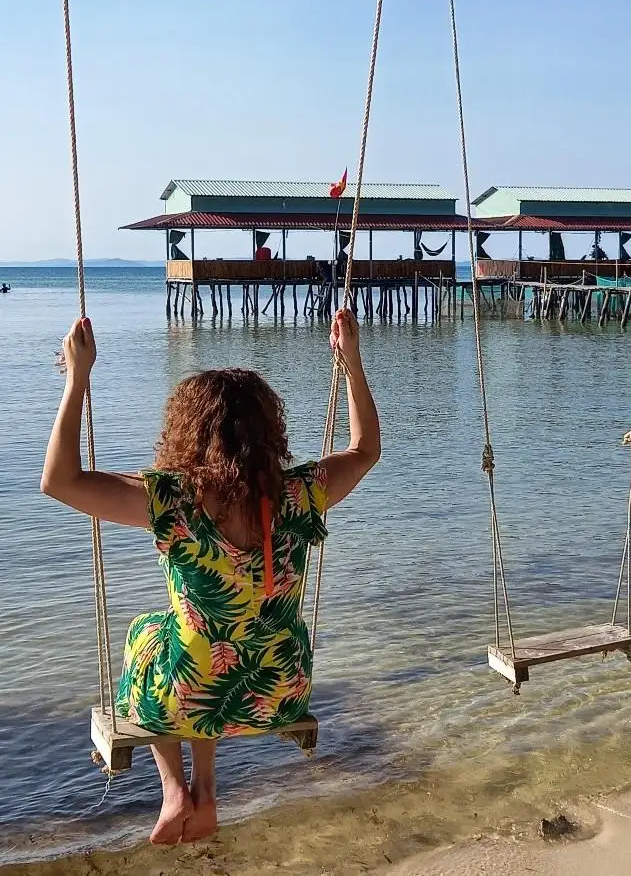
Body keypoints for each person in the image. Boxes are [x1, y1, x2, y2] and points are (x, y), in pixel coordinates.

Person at [41, 309, 380, 846]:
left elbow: (60, 481)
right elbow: (365, 451)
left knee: (149, 633)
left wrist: (77, 379)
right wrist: (352, 364)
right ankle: (208, 791)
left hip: (190, 696)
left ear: (187, 432)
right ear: (271, 429)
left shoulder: (173, 503)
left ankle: (175, 790)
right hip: (281, 692)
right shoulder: (301, 494)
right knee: (216, 645)